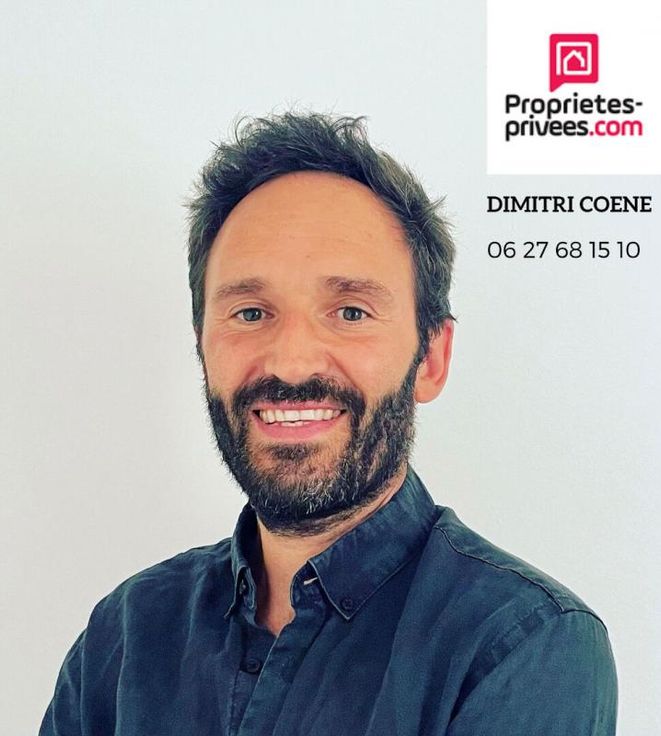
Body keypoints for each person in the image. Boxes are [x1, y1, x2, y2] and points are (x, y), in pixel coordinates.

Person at [40, 111, 617, 735]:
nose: (290, 363)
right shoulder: (125, 635)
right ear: (202, 349)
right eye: (251, 312)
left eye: (350, 311)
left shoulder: (522, 645)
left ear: (431, 358)